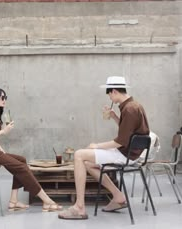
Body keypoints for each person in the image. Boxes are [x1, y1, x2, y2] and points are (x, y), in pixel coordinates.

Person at [58, 76, 149, 220]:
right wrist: (114, 117)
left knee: (79, 155)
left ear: (113, 91)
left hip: (125, 154)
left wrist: (97, 145)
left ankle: (79, 207)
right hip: (130, 152)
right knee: (88, 164)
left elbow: (120, 141)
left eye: (109, 94)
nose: (110, 98)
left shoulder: (129, 109)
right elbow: (129, 133)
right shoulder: (134, 106)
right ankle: (118, 196)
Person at [0, 87, 62, 212]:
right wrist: (4, 131)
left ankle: (13, 201)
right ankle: (47, 201)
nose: (4, 100)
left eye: (5, 97)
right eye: (2, 97)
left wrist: (1, 149)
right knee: (22, 167)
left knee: (21, 160)